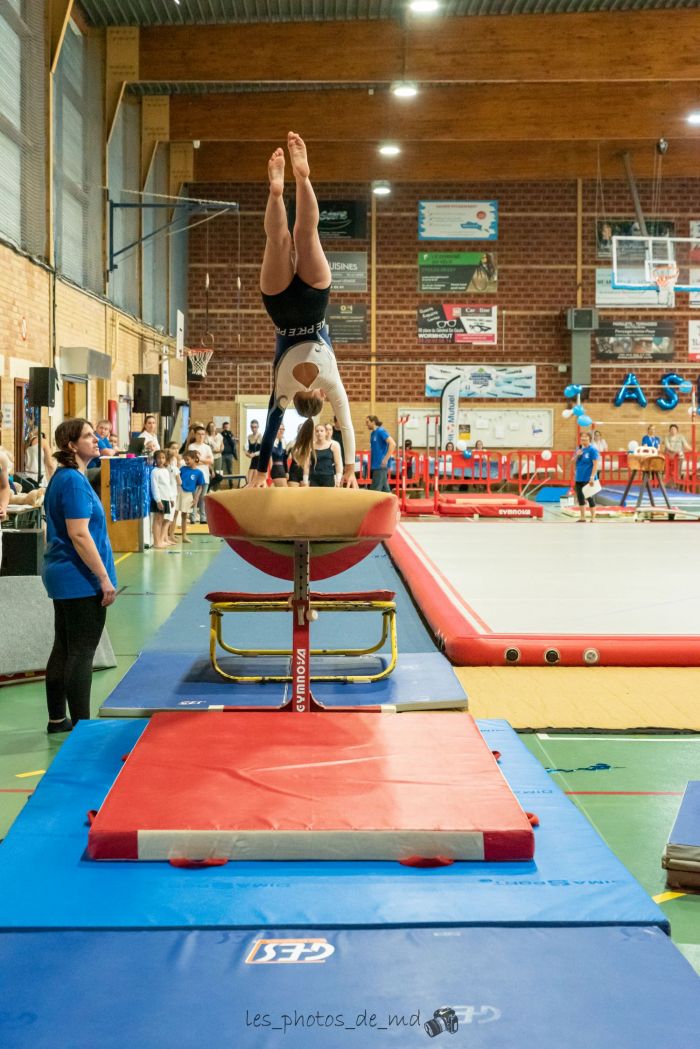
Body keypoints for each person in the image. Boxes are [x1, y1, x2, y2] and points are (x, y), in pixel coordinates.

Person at [251, 131, 357, 490]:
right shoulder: (282, 391)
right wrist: (260, 472)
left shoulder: (331, 384)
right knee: (281, 239)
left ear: (320, 397)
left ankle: (303, 177)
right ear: (295, 400)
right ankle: (278, 191)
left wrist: (351, 470)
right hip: (280, 308)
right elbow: (269, 432)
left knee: (306, 234)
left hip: (314, 306)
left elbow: (346, 424)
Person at [41, 418, 117, 732]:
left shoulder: (66, 477)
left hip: (64, 574)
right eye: (88, 436)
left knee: (64, 647)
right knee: (82, 652)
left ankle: (58, 719)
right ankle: (83, 727)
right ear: (72, 445)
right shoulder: (72, 480)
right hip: (78, 579)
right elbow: (79, 535)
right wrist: (102, 577)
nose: (96, 439)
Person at [176, 451, 205, 544]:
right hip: (178, 491)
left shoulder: (199, 472)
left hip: (188, 494)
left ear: (194, 459)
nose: (186, 462)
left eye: (188, 460)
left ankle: (184, 536)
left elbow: (200, 487)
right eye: (185, 460)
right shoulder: (183, 469)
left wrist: (196, 498)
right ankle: (171, 535)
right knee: (175, 512)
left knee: (184, 515)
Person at [187, 425, 214, 523]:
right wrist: (204, 461)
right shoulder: (192, 446)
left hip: (205, 474)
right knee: (195, 497)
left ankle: (203, 517)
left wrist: (200, 460)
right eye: (199, 434)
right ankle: (193, 516)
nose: (201, 436)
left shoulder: (207, 447)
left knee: (203, 497)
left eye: (203, 434)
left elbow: (211, 461)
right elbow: (192, 461)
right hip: (194, 474)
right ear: (195, 435)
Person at [572, 430, 600, 523]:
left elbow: (595, 464)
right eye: (582, 439)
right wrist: (577, 454)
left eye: (586, 439)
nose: (584, 441)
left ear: (590, 439)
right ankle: (582, 517)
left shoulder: (593, 450)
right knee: (580, 497)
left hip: (588, 477)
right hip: (579, 477)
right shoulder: (579, 449)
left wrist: (592, 477)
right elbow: (573, 460)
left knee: (589, 497)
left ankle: (593, 517)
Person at [305, 423, 343, 488]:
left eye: (322, 431)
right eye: (317, 431)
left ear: (326, 433)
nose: (319, 433)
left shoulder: (333, 445)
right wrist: (305, 480)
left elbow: (338, 464)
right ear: (315, 433)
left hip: (328, 477)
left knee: (328, 498)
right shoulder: (310, 446)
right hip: (314, 478)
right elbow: (306, 464)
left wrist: (338, 479)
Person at [150, 449, 174, 549]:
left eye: (163, 458)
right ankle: (156, 542)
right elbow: (154, 486)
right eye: (159, 458)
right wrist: (158, 500)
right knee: (158, 519)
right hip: (159, 499)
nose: (161, 460)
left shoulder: (165, 470)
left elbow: (168, 485)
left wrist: (171, 498)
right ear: (155, 459)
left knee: (162, 519)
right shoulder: (154, 471)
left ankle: (160, 540)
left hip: (165, 497)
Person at [366, 415, 396, 492]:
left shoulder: (380, 431)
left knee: (375, 490)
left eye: (367, 422)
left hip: (380, 465)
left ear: (373, 422)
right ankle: (392, 503)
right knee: (385, 490)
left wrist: (385, 459)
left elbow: (392, 444)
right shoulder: (373, 434)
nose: (366, 424)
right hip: (376, 465)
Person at [165, 447, 181, 543]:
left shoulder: (162, 468)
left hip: (165, 493)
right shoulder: (174, 469)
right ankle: (166, 538)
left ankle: (166, 537)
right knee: (169, 518)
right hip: (172, 493)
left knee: (165, 518)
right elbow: (179, 482)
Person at [220, 421, 238, 486]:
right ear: (223, 428)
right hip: (222, 455)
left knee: (229, 470)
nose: (226, 428)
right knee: (220, 470)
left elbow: (234, 445)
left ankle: (231, 484)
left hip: (230, 455)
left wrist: (235, 455)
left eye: (227, 427)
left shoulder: (231, 435)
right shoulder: (220, 435)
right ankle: (218, 484)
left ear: (229, 427)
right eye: (225, 427)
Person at [244, 419, 262, 484]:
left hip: (259, 460)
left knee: (254, 481)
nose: (254, 429)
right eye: (252, 427)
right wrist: (247, 453)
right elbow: (246, 448)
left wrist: (254, 454)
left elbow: (263, 450)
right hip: (253, 460)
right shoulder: (249, 437)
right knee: (249, 481)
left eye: (255, 427)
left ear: (258, 427)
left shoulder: (261, 436)